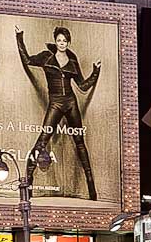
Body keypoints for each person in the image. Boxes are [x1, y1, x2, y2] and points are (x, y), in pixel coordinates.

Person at [16, 25, 101, 199]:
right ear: (55, 42)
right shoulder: (46, 57)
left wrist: (95, 71)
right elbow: (27, 60)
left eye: (64, 41)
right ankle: (28, 184)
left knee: (80, 142)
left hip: (71, 102)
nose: (62, 43)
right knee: (42, 141)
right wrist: (19, 36)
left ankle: (92, 189)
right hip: (55, 102)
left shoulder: (72, 59)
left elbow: (82, 86)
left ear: (68, 43)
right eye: (59, 40)